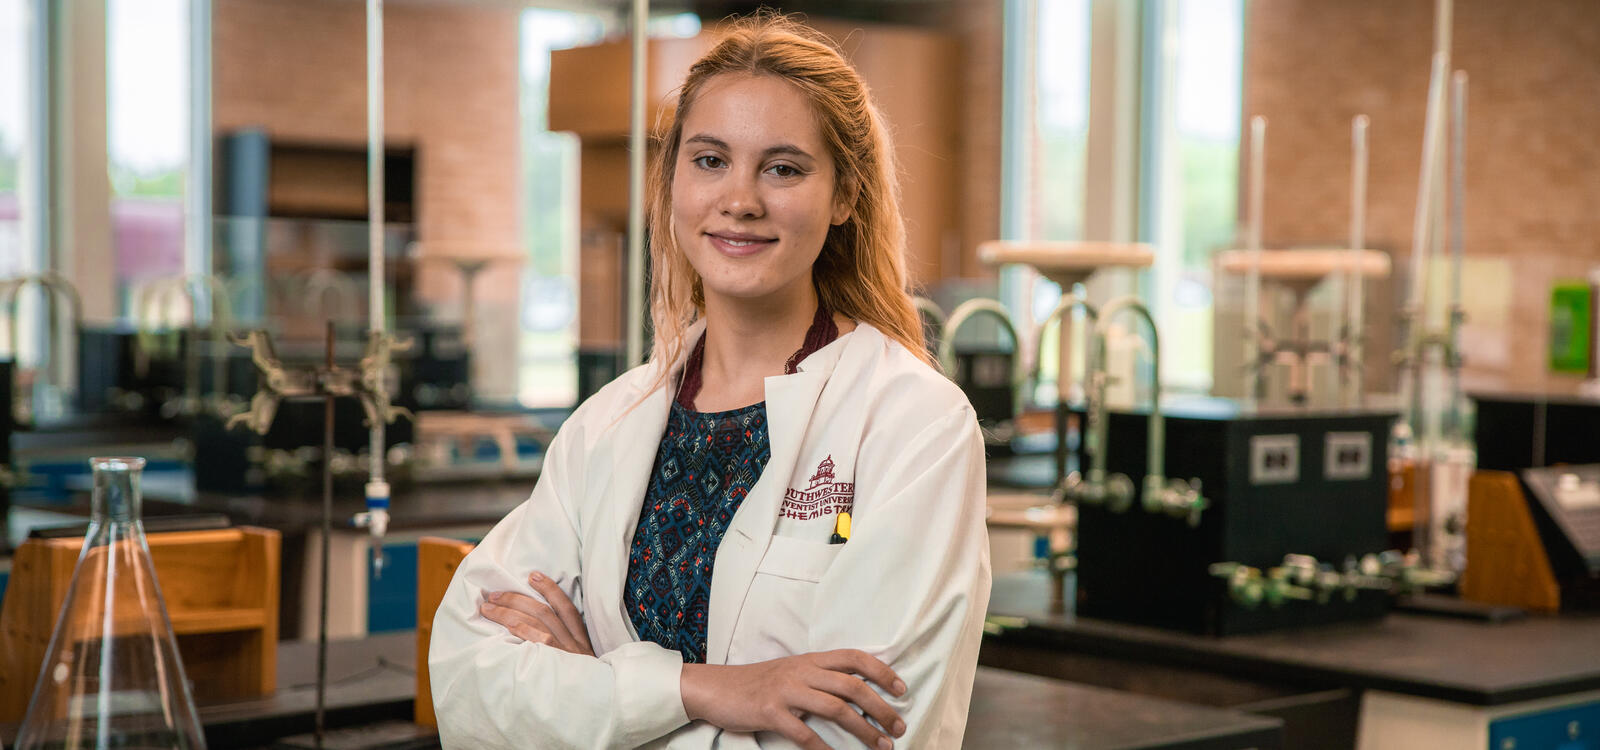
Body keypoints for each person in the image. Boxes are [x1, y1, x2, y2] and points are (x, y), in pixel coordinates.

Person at [429, 14, 990, 749]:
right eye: (710, 160)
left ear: (845, 196)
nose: (741, 198)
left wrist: (597, 689)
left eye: (784, 167)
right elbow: (470, 686)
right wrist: (707, 690)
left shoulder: (914, 425)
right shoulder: (608, 424)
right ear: (671, 184)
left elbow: (860, 737)